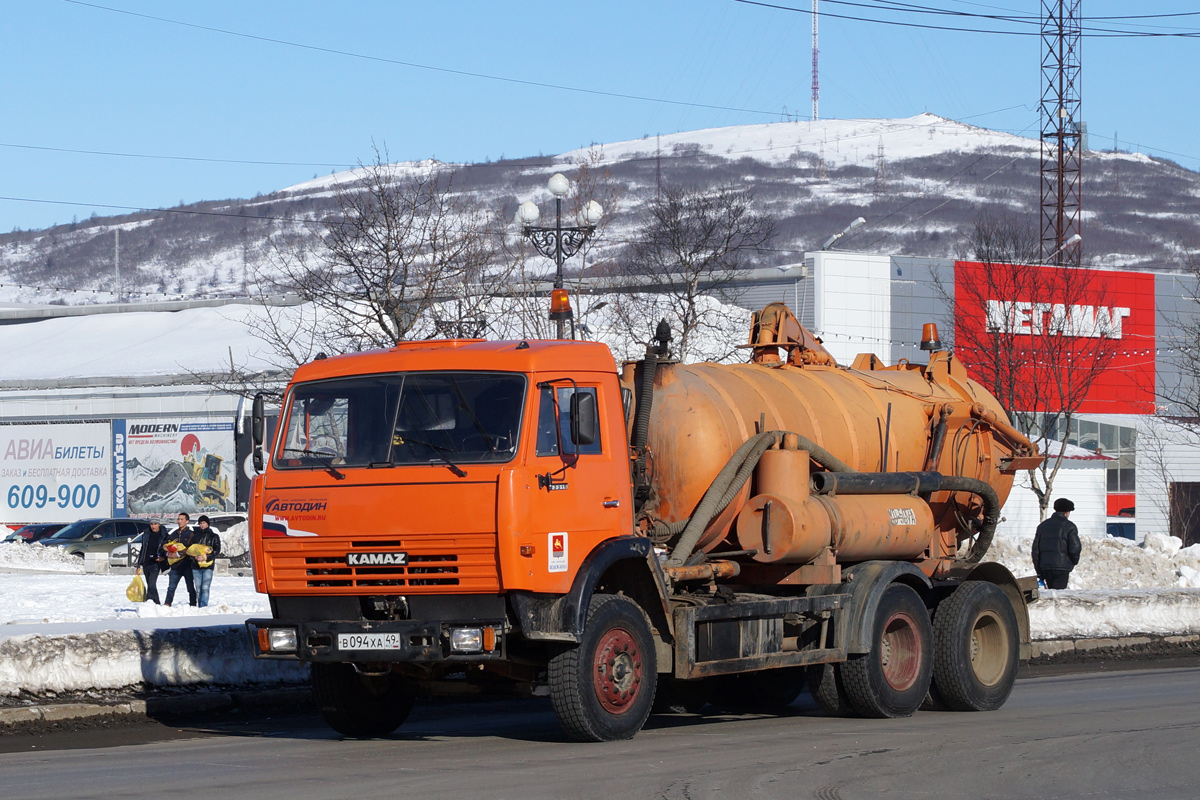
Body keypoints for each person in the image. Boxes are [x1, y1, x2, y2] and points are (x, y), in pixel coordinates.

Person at [1033, 498, 1082, 590]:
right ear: (1067, 512)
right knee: (1058, 594)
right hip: (1062, 567)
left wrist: (1039, 569)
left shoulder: (1042, 526)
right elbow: (1075, 548)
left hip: (1045, 566)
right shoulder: (1069, 526)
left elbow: (1035, 550)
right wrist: (1073, 561)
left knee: (1050, 591)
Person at [162, 512, 196, 607]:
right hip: (174, 566)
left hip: (186, 565)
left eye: (182, 519)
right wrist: (168, 553)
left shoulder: (191, 534)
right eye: (178, 519)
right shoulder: (173, 534)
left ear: (187, 521)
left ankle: (193, 605)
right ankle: (167, 604)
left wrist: (178, 554)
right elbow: (167, 545)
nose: (179, 521)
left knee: (190, 587)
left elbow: (191, 549)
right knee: (171, 587)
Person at [190, 514, 222, 608]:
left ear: (208, 524)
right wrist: (195, 558)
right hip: (196, 566)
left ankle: (203, 606)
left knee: (205, 587)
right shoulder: (195, 537)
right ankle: (199, 606)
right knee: (198, 588)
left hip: (208, 566)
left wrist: (207, 557)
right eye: (200, 523)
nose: (202, 525)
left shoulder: (214, 536)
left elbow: (217, 550)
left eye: (204, 523)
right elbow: (191, 550)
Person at [135, 520, 168, 604]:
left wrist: (163, 557)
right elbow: (143, 549)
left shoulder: (164, 535)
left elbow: (166, 548)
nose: (153, 526)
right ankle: (156, 603)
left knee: (151, 584)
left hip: (156, 563)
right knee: (150, 585)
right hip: (146, 561)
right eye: (152, 524)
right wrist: (139, 564)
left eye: (155, 524)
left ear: (159, 525)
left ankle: (148, 602)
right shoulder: (146, 533)